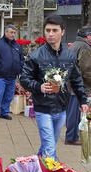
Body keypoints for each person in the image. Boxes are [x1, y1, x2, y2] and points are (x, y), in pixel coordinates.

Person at [20, 15, 89, 159]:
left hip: (62, 108)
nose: (50, 34)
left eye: (54, 30)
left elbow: (76, 79)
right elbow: (24, 79)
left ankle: (35, 167)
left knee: (48, 145)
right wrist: (39, 87)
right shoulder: (36, 55)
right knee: (50, 148)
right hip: (42, 108)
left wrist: (83, 101)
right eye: (48, 30)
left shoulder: (69, 55)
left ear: (62, 32)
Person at [0, 24, 24, 122]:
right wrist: (0, 67)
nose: (13, 35)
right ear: (6, 32)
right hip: (1, 76)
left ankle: (4, 113)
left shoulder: (17, 45)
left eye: (14, 33)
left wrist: (19, 68)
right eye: (11, 32)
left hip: (12, 76)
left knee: (9, 96)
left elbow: (21, 59)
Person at [65, 26, 91, 145]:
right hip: (77, 86)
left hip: (70, 84)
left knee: (72, 112)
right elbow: (86, 70)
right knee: (74, 114)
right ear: (88, 36)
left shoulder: (75, 44)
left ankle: (71, 135)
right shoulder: (84, 47)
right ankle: (71, 137)